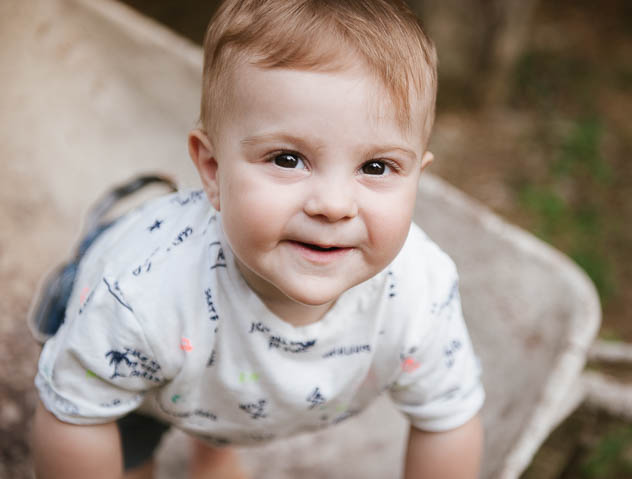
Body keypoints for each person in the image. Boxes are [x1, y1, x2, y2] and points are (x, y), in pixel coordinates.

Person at [30, 0, 485, 478]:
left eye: (376, 167)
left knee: (210, 383)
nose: (333, 204)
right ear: (212, 169)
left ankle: (213, 442)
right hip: (131, 338)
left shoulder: (420, 293)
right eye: (287, 159)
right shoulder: (137, 301)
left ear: (417, 177)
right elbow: (75, 416)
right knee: (128, 452)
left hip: (212, 373)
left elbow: (448, 419)